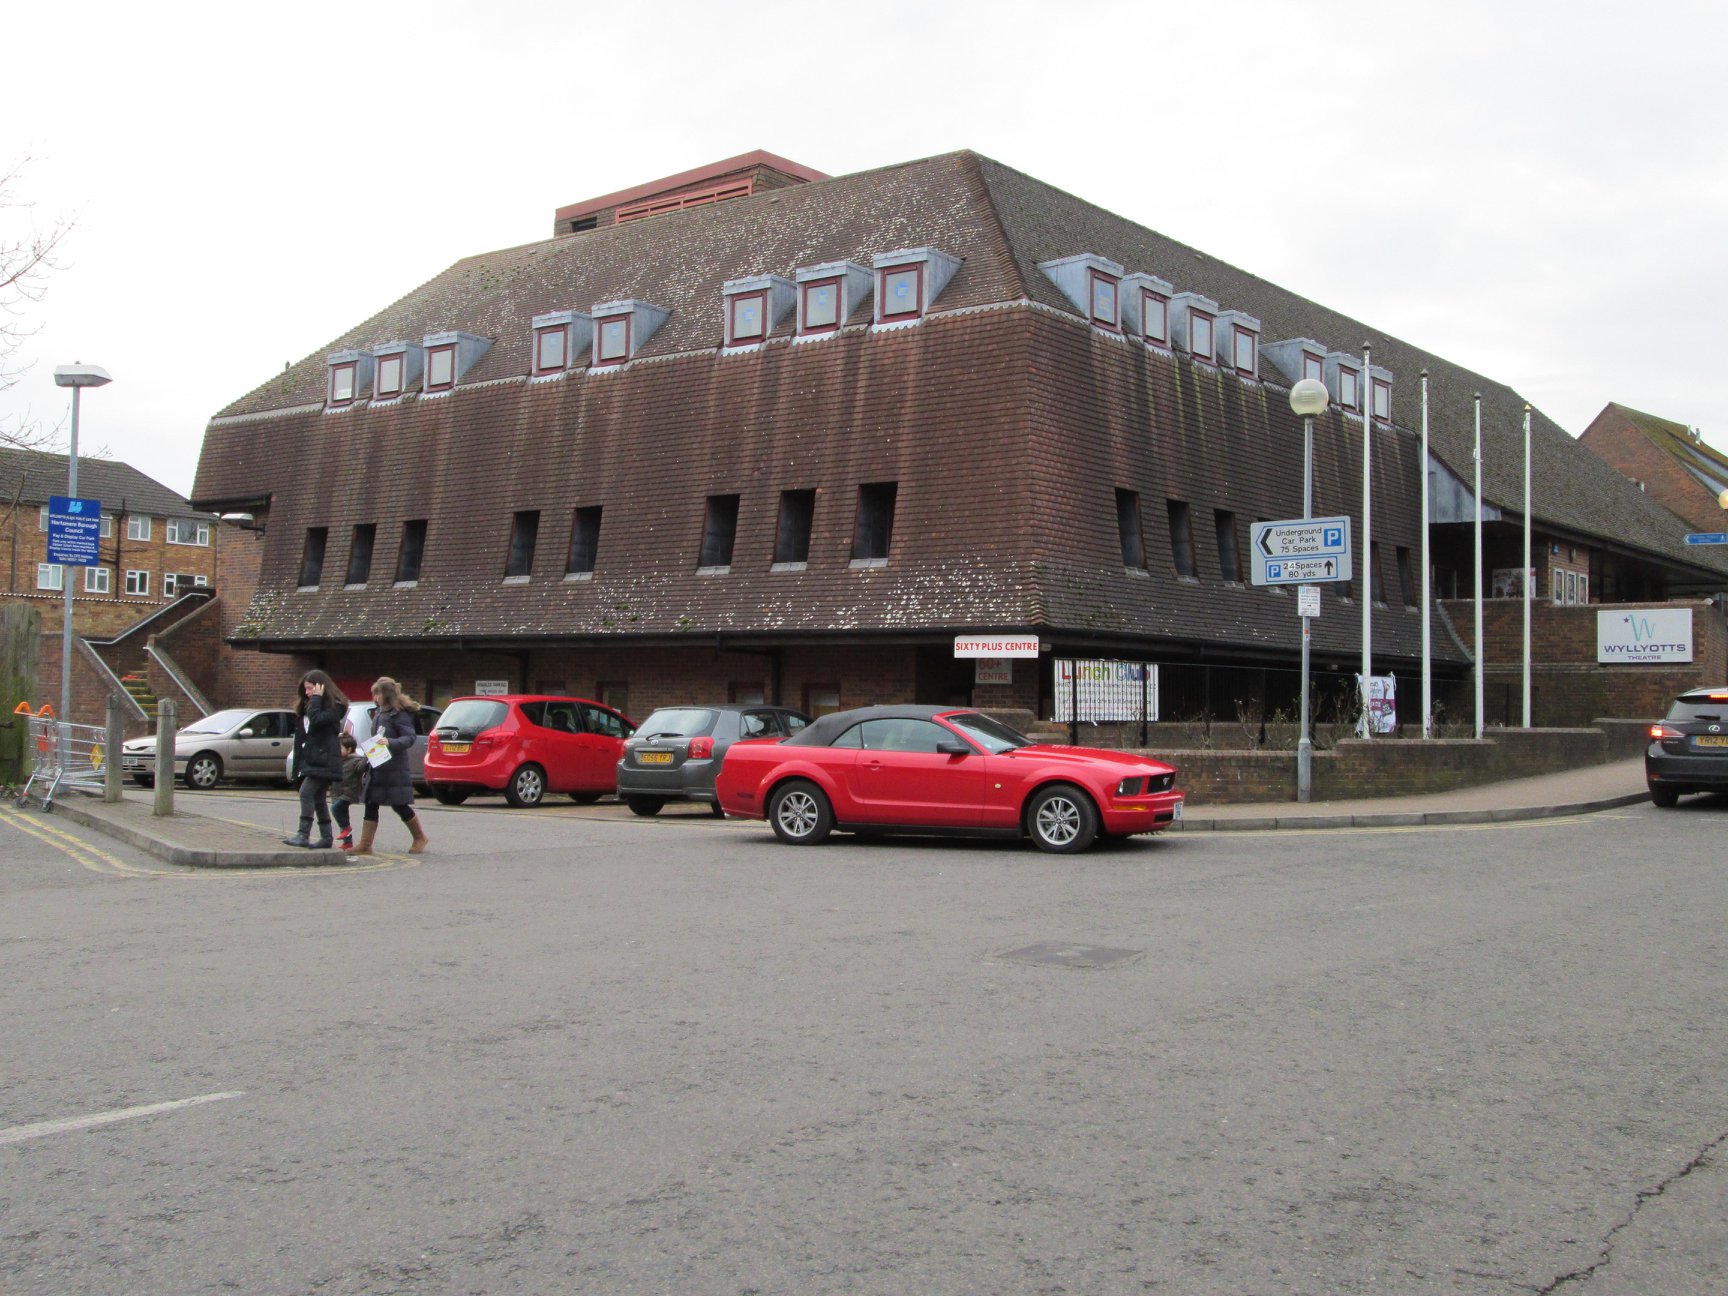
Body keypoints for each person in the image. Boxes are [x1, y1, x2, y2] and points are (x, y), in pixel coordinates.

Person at [354, 675, 429, 855]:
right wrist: (366, 759)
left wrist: (391, 742)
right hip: (377, 767)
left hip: (394, 769)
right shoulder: (380, 714)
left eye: (377, 695)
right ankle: (365, 844)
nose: (374, 698)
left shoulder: (399, 715)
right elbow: (375, 739)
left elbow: (409, 738)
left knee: (399, 805)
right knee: (371, 803)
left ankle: (420, 837)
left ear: (386, 695)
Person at [285, 670, 349, 848]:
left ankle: (303, 834)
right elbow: (301, 739)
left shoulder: (334, 707)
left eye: (310, 689)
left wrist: (316, 700)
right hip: (312, 759)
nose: (307, 693)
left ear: (321, 687)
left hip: (325, 759)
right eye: (305, 689)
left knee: (306, 793)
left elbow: (317, 721)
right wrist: (297, 766)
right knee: (319, 798)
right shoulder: (307, 707)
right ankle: (326, 838)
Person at [331, 731, 366, 852]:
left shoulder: (355, 760)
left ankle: (347, 829)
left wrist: (367, 757)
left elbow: (361, 768)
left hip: (348, 793)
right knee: (343, 816)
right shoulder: (338, 760)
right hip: (338, 792)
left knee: (336, 809)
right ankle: (348, 842)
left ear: (349, 749)